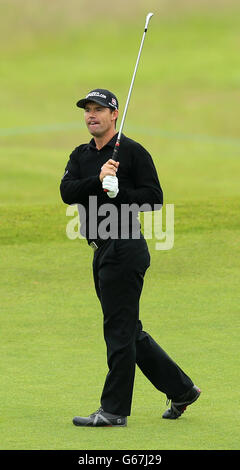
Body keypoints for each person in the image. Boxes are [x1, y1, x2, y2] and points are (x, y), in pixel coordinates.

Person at [60, 88, 201, 427]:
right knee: (128, 330)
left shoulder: (133, 152)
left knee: (119, 331)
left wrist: (120, 192)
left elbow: (154, 198)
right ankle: (181, 390)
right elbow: (67, 192)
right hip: (101, 250)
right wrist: (98, 181)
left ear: (114, 115)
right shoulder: (81, 155)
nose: (92, 115)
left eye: (99, 110)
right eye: (88, 110)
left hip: (125, 246)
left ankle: (114, 410)